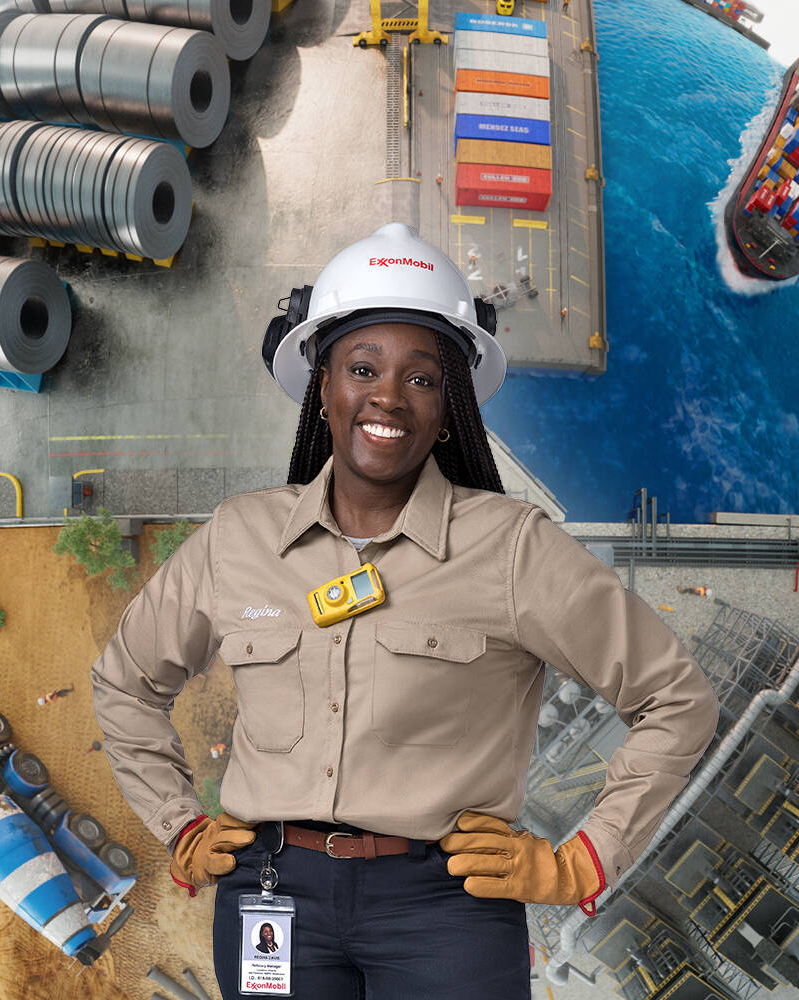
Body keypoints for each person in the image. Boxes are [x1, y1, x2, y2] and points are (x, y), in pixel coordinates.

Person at [90, 223, 720, 999]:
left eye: (421, 379)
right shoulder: (240, 537)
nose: (387, 396)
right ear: (323, 388)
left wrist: (582, 861)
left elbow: (676, 698)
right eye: (362, 368)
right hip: (271, 897)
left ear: (450, 409)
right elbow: (124, 683)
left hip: (446, 910)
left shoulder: (512, 549)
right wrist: (180, 825)